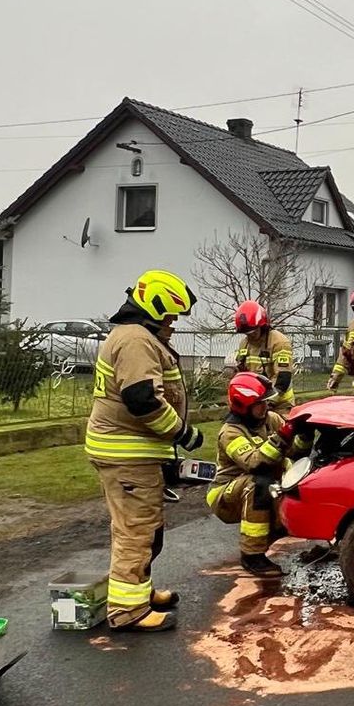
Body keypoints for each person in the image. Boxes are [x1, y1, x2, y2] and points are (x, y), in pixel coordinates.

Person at [85, 269, 203, 632]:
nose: (172, 323)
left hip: (134, 452)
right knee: (136, 530)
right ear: (153, 309)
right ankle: (127, 611)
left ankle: (138, 591)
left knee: (146, 527)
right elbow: (142, 400)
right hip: (127, 454)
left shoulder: (136, 336)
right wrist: (182, 433)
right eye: (169, 316)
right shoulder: (136, 340)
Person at [207, 373, 307, 575]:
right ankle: (252, 556)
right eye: (260, 403)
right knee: (257, 483)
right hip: (225, 494)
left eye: (266, 402)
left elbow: (295, 453)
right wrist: (282, 436)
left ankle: (276, 532)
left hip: (263, 482)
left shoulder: (270, 419)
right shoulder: (230, 432)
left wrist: (304, 434)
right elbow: (255, 463)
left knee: (291, 477)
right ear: (243, 404)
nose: (266, 407)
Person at [232, 299, 296, 412]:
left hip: (280, 404)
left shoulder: (279, 342)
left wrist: (267, 401)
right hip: (254, 404)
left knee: (277, 428)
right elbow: (243, 372)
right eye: (246, 333)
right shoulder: (244, 343)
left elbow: (283, 377)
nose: (250, 336)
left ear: (262, 326)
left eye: (253, 332)